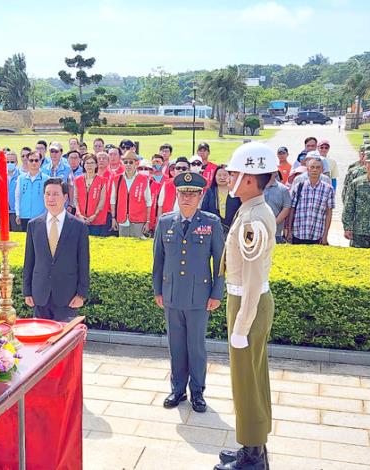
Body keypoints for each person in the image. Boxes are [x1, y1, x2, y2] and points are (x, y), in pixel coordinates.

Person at [214, 142, 278, 470]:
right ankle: (253, 446)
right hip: (247, 301)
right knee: (252, 377)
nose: (230, 179)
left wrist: (240, 326)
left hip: (247, 304)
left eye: (236, 174)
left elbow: (252, 280)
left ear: (251, 179)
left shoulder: (253, 218)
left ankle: (253, 457)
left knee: (246, 380)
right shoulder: (251, 208)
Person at [152, 171, 224, 414]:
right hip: (172, 294)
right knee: (176, 345)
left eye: (192, 194)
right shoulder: (165, 222)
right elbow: (158, 261)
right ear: (177, 194)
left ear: (200, 195)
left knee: (196, 346)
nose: (187, 198)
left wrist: (216, 293)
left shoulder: (211, 223)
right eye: (183, 193)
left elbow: (220, 263)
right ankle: (178, 389)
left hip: (199, 296)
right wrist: (158, 290)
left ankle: (198, 391)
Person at [22, 178, 90, 321]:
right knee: (41, 339)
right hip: (40, 294)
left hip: (68, 296)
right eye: (47, 194)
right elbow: (29, 260)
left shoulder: (78, 226)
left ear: (65, 197)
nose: (51, 198)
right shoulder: (34, 225)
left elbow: (84, 263)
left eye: (55, 194)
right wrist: (27, 291)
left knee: (65, 340)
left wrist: (81, 294)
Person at [287, 156, 334, 245]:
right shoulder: (299, 186)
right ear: (307, 169)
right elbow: (292, 209)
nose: (315, 170)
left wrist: (325, 235)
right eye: (312, 167)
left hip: (317, 234)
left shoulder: (328, 189)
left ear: (322, 170)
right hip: (298, 233)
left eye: (318, 167)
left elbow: (329, 213)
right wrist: (289, 231)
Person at [110, 151, 152, 238]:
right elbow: (113, 200)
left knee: (137, 247)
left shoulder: (143, 179)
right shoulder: (117, 179)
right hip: (122, 219)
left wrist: (147, 222)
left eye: (131, 162)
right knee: (123, 247)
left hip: (138, 220)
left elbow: (148, 202)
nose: (128, 165)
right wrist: (113, 218)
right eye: (125, 162)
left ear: (136, 163)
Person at [73, 153, 108, 236]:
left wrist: (95, 215)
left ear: (96, 165)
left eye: (92, 163)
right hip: (80, 218)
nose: (89, 166)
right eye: (87, 163)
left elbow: (102, 200)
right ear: (83, 165)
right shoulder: (78, 180)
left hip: (96, 219)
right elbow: (75, 198)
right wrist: (79, 214)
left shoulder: (102, 181)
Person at [201, 165, 241, 235]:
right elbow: (204, 211)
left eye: (225, 175)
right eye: (219, 175)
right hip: (213, 231)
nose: (222, 178)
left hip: (233, 230)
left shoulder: (236, 192)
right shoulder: (210, 192)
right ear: (215, 176)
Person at [15, 151, 49, 231]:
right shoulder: (21, 178)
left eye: (36, 160)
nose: (34, 163)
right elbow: (17, 197)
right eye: (31, 160)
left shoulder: (46, 179)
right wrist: (18, 214)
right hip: (24, 216)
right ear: (27, 161)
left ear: (40, 162)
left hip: (40, 216)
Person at [263, 172, 291, 243]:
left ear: (276, 172)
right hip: (257, 232)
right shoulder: (256, 187)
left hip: (276, 234)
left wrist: (273, 223)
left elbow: (286, 208)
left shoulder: (283, 189)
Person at [6, 150, 21, 231]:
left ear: (16, 162)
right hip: (4, 212)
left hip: (16, 212)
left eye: (12, 161)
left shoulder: (21, 176)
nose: (9, 164)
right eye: (7, 162)